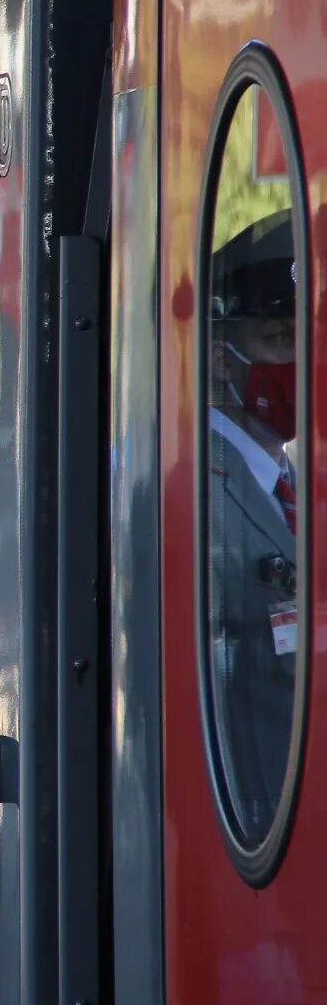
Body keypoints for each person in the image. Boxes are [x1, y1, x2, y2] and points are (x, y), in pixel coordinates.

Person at [204, 208, 301, 838]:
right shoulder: (197, 490)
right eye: (278, 340)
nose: (301, 361)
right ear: (221, 358)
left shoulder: (292, 478)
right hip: (256, 820)